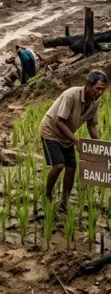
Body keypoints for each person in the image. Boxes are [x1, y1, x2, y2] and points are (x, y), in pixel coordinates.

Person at [39, 70, 107, 211]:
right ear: (87, 85)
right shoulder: (71, 95)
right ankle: (47, 195)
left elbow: (91, 125)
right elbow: (59, 121)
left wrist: (101, 147)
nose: (100, 92)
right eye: (98, 88)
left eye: (103, 89)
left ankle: (64, 203)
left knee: (71, 168)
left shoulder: (95, 102)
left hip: (67, 135)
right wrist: (76, 141)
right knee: (59, 165)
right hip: (50, 130)